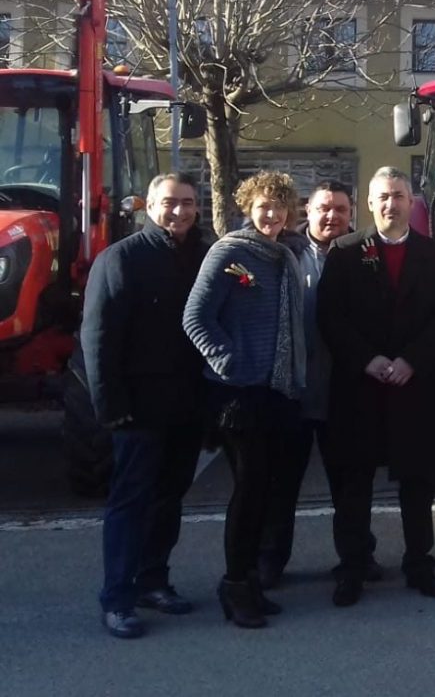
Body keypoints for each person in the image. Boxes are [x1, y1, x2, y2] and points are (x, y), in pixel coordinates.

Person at [317, 166, 435, 608]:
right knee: (354, 486)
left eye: (398, 195)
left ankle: (420, 564)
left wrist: (411, 361)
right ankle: (353, 568)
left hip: (414, 387)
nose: (390, 204)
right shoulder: (344, 252)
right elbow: (330, 318)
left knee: (417, 484)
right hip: (360, 388)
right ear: (369, 202)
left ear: (409, 201)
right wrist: (369, 360)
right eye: (382, 196)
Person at [81, 173, 209, 639]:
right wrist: (109, 407)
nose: (179, 212)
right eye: (170, 203)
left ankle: (154, 580)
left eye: (188, 203)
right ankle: (117, 598)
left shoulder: (203, 255)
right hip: (137, 408)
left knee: (169, 499)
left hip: (187, 405)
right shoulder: (121, 259)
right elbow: (98, 339)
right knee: (130, 503)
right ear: (149, 206)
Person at [183, 170, 307, 629]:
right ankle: (236, 583)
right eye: (263, 205)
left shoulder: (285, 256)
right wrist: (229, 361)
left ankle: (250, 581)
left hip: (278, 391)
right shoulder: (230, 251)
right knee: (249, 489)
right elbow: (195, 317)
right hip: (239, 394)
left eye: (279, 205)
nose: (271, 213)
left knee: (266, 492)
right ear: (247, 208)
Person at [257, 181, 382, 588]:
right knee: (280, 485)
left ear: (352, 214)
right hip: (291, 391)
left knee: (349, 484)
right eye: (325, 209)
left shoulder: (366, 257)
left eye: (341, 210)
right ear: (308, 210)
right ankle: (270, 561)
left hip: (342, 391)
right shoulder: (282, 253)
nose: (333, 217)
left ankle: (357, 556)